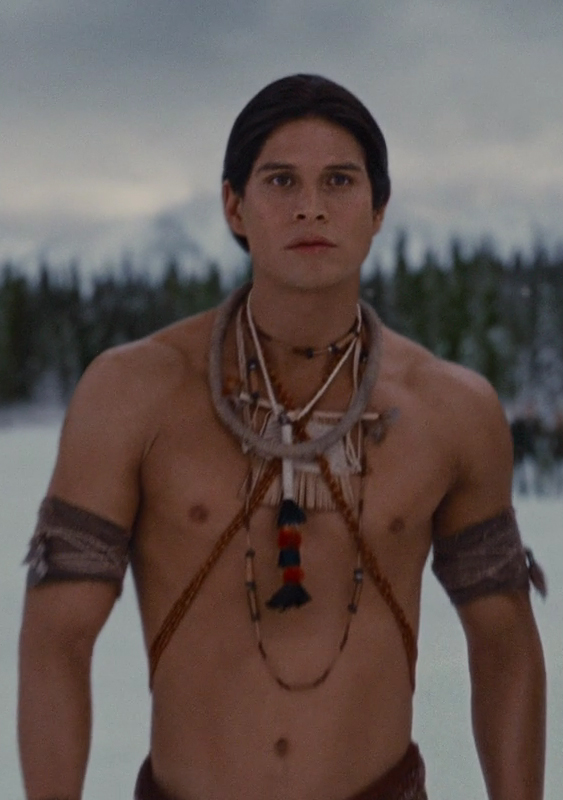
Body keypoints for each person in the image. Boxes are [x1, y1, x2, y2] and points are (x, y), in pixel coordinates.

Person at [18, 74, 546, 800]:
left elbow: (504, 642)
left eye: (339, 180)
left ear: (378, 207)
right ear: (234, 205)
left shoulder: (450, 411)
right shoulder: (133, 394)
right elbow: (56, 639)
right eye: (280, 180)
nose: (310, 206)